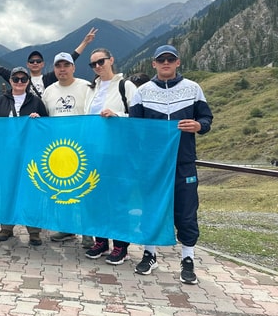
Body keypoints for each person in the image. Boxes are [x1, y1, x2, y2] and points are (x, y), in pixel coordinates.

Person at [130, 45, 213, 284]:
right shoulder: (142, 92)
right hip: (152, 164)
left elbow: (206, 118)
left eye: (170, 59)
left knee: (186, 211)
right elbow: (134, 127)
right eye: (161, 59)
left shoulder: (193, 88)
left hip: (183, 162)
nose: (165, 62)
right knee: (151, 208)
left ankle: (188, 259)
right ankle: (150, 254)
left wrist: (199, 126)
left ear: (178, 62)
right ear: (153, 64)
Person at [83, 48, 137, 264]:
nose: (97, 66)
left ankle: (121, 245)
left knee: (118, 198)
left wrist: (118, 115)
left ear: (111, 60)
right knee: (96, 197)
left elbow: (138, 117)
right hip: (94, 151)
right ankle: (101, 241)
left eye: (101, 61)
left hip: (117, 152)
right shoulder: (91, 89)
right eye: (93, 64)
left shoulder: (126, 86)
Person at [0, 66, 48, 246]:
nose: (19, 82)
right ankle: (6, 227)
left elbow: (46, 126)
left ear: (28, 82)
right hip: (6, 154)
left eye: (23, 79)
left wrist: (38, 120)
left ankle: (34, 231)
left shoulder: (36, 102)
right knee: (7, 190)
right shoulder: (0, 101)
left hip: (30, 153)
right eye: (16, 79)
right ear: (10, 81)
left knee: (32, 189)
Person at [40, 52, 91, 243]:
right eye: (58, 66)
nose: (62, 69)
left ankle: (88, 233)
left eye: (66, 65)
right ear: (54, 69)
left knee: (85, 191)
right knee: (62, 189)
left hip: (83, 148)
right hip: (59, 150)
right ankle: (66, 228)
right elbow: (44, 119)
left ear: (73, 67)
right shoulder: (49, 91)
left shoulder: (86, 87)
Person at [0, 27, 97, 97]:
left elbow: (70, 59)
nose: (35, 63)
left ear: (43, 64)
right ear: (28, 64)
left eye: (38, 61)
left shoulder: (49, 78)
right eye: (32, 61)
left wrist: (85, 42)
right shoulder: (20, 79)